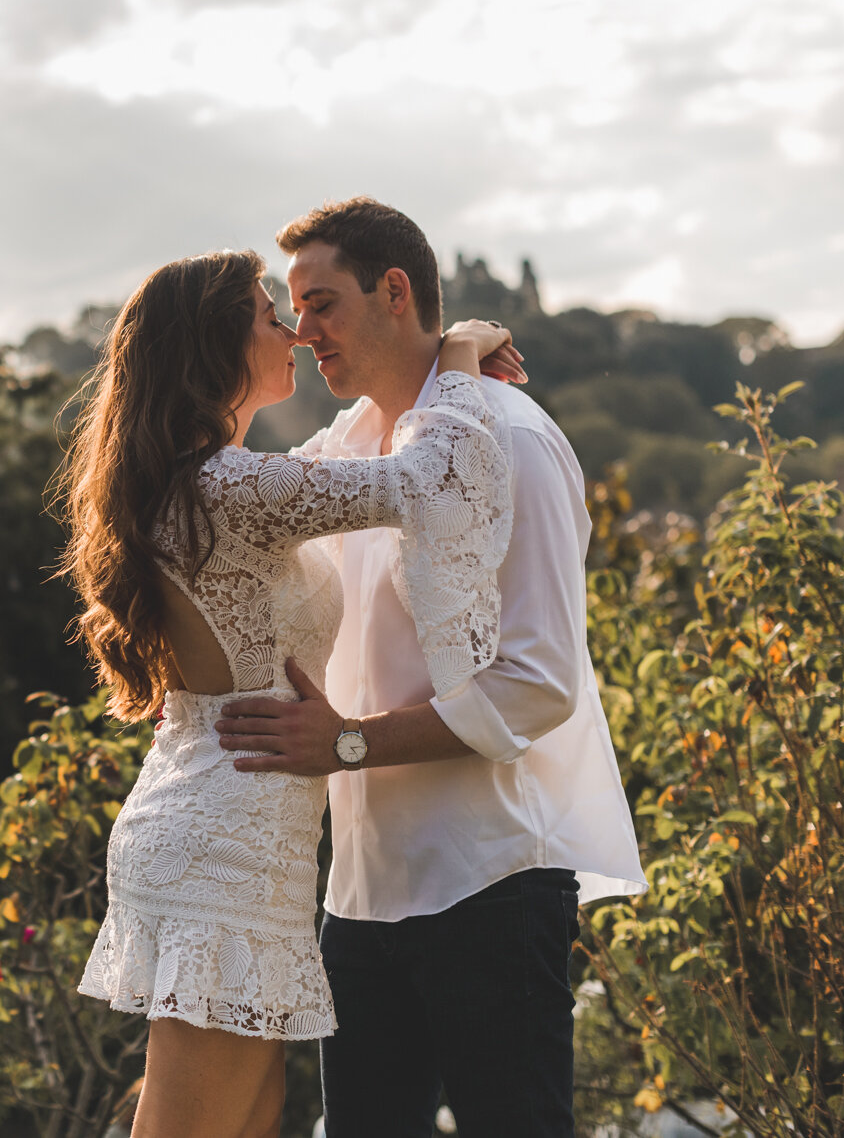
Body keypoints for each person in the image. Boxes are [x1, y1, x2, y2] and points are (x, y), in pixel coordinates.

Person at [61, 248, 522, 1138]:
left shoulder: (222, 477)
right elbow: (428, 483)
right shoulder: (228, 484)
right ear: (216, 345)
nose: (295, 332)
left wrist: (414, 373)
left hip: (236, 830)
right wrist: (455, 361)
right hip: (221, 844)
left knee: (243, 1125)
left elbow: (340, 453)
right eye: (271, 315)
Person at [214, 198, 645, 1137]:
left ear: (395, 291)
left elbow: (537, 683)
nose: (302, 332)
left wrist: (350, 744)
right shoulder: (344, 451)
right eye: (292, 309)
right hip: (362, 895)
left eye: (321, 303)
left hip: (491, 880)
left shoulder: (513, 438)